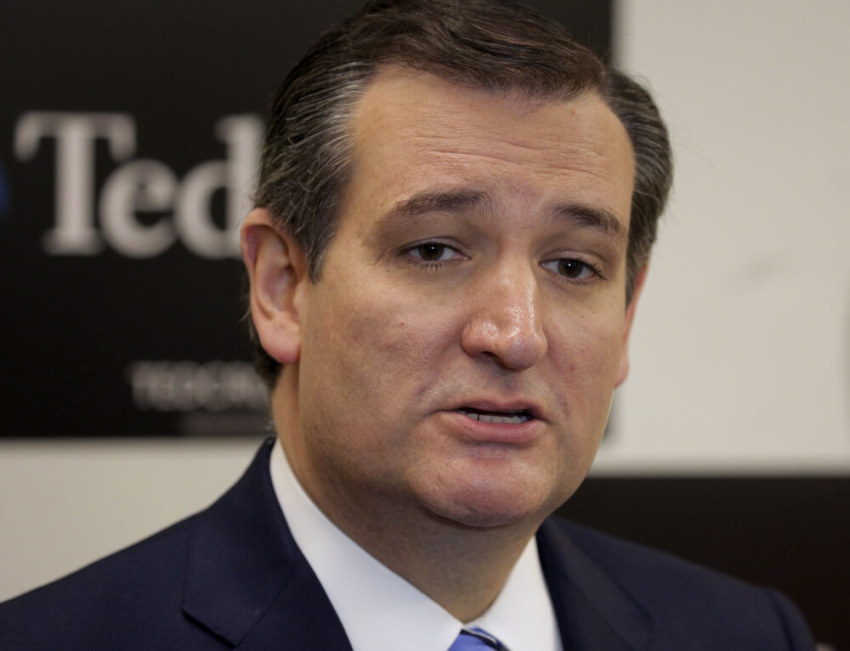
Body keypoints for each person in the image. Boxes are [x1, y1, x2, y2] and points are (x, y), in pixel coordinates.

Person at [0, 0, 816, 649]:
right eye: (434, 249)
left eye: (573, 266)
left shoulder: (745, 633)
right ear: (283, 286)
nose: (516, 332)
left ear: (627, 314)